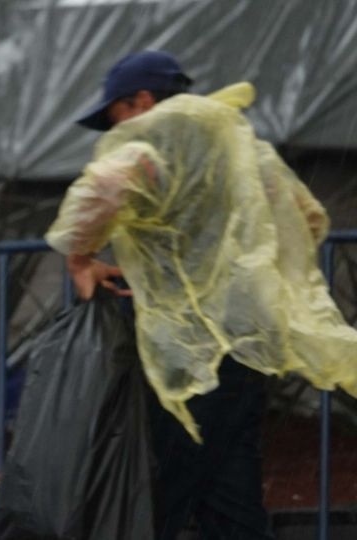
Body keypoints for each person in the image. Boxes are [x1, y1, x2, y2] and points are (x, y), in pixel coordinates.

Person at [46, 50, 357, 539]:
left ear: (143, 101)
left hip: (185, 350)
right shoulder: (243, 146)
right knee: (231, 487)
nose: (117, 130)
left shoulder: (154, 144)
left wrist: (80, 258)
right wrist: (247, 272)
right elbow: (310, 217)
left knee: (164, 485)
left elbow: (100, 189)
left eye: (117, 115)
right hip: (248, 342)